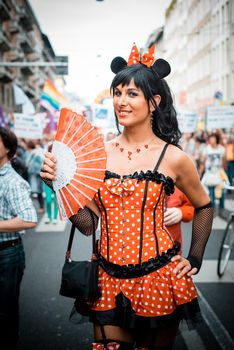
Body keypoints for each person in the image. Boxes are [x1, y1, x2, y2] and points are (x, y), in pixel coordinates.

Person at [40, 44, 213, 350]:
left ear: (154, 101)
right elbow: (88, 225)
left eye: (132, 93)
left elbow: (204, 206)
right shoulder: (97, 155)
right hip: (107, 278)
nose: (121, 101)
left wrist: (195, 258)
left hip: (159, 278)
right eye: (117, 93)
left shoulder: (174, 158)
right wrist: (61, 186)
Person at [0, 127, 37, 349]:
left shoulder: (12, 181)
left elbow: (29, 219)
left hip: (6, 253)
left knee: (4, 314)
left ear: (8, 149)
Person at [201, 132, 226, 216]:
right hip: (209, 174)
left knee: (222, 192)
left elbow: (224, 161)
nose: (211, 140)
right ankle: (213, 211)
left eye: (213, 138)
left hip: (218, 173)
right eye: (210, 138)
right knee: (211, 192)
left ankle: (221, 209)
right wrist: (200, 171)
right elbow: (203, 161)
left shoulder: (222, 149)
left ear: (217, 139)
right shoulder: (207, 149)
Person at [164, 186, 194, 253]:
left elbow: (193, 206)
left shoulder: (179, 182)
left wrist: (181, 212)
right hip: (140, 245)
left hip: (171, 246)